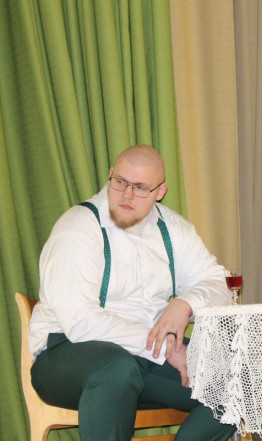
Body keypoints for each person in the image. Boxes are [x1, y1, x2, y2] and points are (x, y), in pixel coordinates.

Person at [29, 145, 236, 441]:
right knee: (116, 369)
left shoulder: (173, 228)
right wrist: (167, 347)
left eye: (140, 188)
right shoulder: (77, 228)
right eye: (121, 182)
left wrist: (184, 304)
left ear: (160, 191)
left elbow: (216, 282)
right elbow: (80, 323)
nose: (127, 195)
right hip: (65, 353)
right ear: (111, 174)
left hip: (143, 357)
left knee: (239, 382)